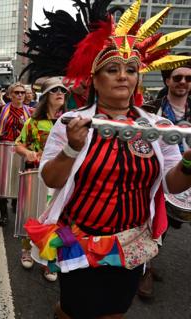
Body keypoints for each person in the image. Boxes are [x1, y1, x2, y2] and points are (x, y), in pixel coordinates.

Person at [22, 1, 191, 318]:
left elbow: (171, 183)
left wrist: (190, 163)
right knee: (74, 310)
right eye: (113, 69)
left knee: (115, 312)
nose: (123, 77)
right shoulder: (70, 122)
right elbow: (50, 179)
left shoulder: (156, 129)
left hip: (131, 241)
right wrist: (72, 148)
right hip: (80, 237)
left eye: (131, 70)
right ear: (95, 78)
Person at [139, 58, 191, 299]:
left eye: (188, 79)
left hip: (188, 175)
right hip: (161, 175)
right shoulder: (152, 109)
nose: (183, 82)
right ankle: (145, 270)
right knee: (157, 227)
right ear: (168, 81)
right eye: (178, 78)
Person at [15, 77, 67, 281]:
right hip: (38, 176)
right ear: (45, 96)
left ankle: (49, 261)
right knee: (34, 214)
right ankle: (27, 250)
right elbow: (18, 144)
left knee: (56, 220)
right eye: (55, 90)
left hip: (63, 179)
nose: (60, 93)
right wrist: (26, 153)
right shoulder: (33, 122)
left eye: (62, 90)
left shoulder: (70, 121)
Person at [0, 82, 33, 226]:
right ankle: (3, 215)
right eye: (17, 92)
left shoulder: (31, 112)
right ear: (10, 95)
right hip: (4, 149)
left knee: (20, 179)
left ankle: (15, 202)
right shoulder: (2, 109)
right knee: (2, 181)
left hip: (22, 149)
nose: (20, 95)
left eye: (22, 92)